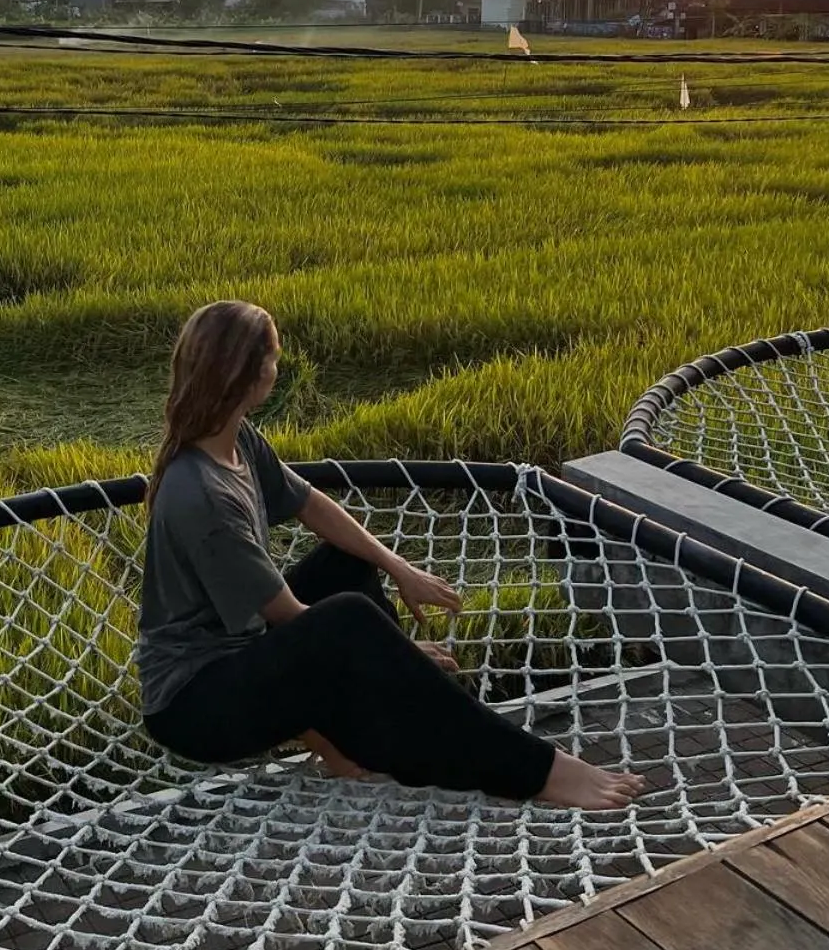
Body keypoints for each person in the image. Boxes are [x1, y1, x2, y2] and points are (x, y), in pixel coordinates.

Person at [136, 301, 646, 810]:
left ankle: (380, 728)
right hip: (197, 705)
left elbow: (310, 504)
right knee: (348, 618)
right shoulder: (202, 496)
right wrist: (398, 651)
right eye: (273, 357)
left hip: (243, 658)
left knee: (345, 564)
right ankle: (540, 770)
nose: (278, 366)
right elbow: (291, 617)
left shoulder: (235, 439)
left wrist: (398, 568)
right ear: (248, 376)